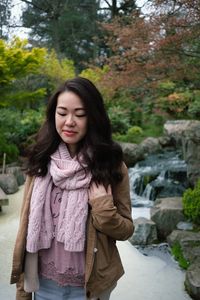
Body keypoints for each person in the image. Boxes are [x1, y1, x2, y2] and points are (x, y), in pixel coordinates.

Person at [10, 77, 134, 300]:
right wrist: (22, 290)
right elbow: (26, 228)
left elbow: (126, 230)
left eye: (80, 114)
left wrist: (102, 208)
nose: (69, 121)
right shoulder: (40, 162)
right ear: (53, 115)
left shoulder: (111, 166)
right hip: (42, 284)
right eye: (62, 112)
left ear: (93, 117)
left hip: (88, 287)